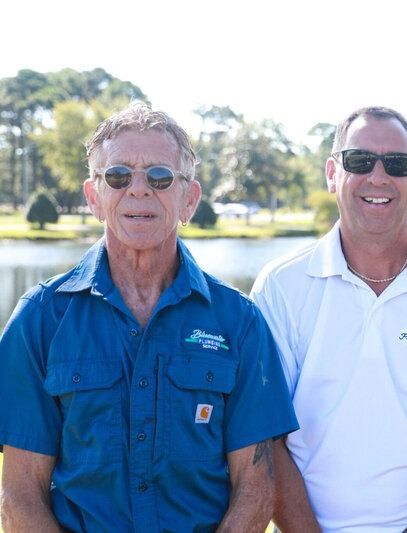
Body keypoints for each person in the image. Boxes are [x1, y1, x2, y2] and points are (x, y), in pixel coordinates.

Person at [0, 103, 298, 531]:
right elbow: (20, 496)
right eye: (118, 176)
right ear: (94, 197)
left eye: (159, 177)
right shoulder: (40, 319)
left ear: (188, 199)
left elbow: (256, 485)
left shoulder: (239, 322)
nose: (138, 190)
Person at [250, 106, 407, 531]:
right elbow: (264, 439)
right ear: (332, 173)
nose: (379, 177)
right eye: (360, 161)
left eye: (398, 164)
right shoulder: (280, 286)